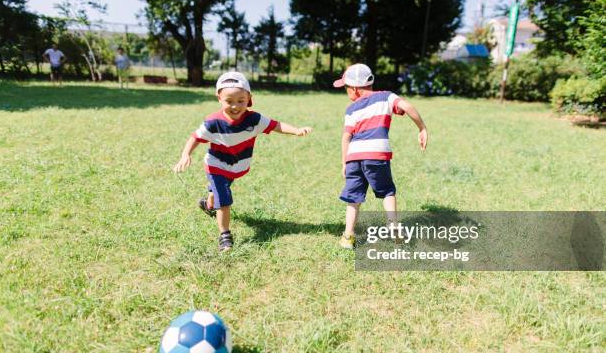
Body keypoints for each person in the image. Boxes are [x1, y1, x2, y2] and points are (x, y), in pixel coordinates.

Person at [173, 71, 313, 251]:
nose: (235, 106)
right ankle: (225, 235)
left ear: (249, 98)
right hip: (216, 164)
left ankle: (208, 205)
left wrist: (296, 130)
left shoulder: (254, 119)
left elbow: (275, 125)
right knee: (224, 198)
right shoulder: (213, 122)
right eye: (229, 101)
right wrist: (186, 154)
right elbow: (195, 138)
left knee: (218, 190)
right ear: (219, 98)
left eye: (241, 101)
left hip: (237, 165)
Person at [334, 64, 428, 249]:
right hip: (377, 154)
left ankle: (348, 236)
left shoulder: (351, 109)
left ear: (354, 88)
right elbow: (407, 106)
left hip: (354, 156)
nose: (346, 92)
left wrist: (344, 162)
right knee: (387, 191)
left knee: (354, 198)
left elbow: (346, 137)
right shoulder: (386, 96)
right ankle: (393, 225)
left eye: (345, 88)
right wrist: (422, 127)